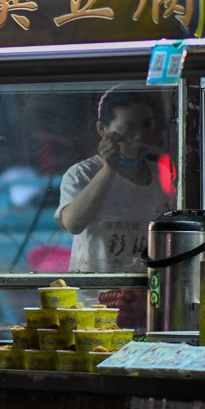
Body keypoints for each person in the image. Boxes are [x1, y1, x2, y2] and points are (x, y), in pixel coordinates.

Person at [54, 89, 173, 273]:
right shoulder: (82, 174)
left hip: (145, 295)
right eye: (128, 128)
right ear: (103, 130)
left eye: (146, 124)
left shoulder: (163, 175)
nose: (140, 136)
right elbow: (73, 223)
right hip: (94, 297)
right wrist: (109, 169)